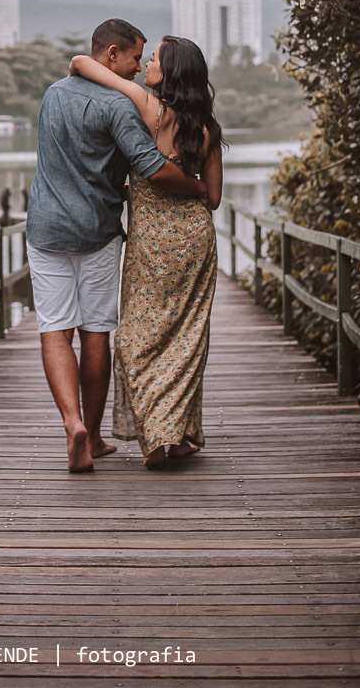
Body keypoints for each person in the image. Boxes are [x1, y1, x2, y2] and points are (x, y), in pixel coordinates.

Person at [26, 19, 209, 473]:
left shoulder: (52, 95)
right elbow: (153, 168)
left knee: (53, 329)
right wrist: (198, 189)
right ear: (111, 54)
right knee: (94, 332)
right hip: (98, 231)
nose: (136, 65)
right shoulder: (121, 106)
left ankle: (73, 426)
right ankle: (93, 433)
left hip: (45, 228)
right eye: (134, 57)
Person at [70, 36, 223, 468]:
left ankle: (157, 437)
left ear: (170, 72)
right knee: (187, 339)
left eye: (154, 58)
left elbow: (83, 61)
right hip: (194, 241)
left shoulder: (146, 106)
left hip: (151, 245)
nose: (147, 64)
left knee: (137, 339)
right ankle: (175, 433)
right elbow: (212, 199)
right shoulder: (208, 129)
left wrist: (73, 71)